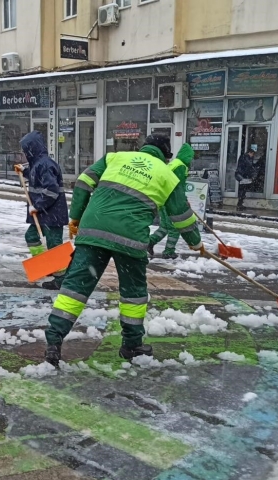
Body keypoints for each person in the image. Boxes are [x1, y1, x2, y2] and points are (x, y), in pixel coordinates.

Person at [43, 134, 204, 366]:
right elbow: (181, 215)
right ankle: (131, 345)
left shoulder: (115, 157)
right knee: (133, 295)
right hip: (130, 239)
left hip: (93, 230)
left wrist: (76, 216)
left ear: (143, 148)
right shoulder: (167, 174)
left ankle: (53, 341)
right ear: (166, 156)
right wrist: (195, 242)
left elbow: (82, 182)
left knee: (74, 289)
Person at [14, 131, 69, 290]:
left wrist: (37, 206)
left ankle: (61, 279)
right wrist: (23, 171)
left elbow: (51, 190)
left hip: (53, 214)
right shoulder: (37, 164)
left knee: (54, 245)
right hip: (43, 214)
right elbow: (33, 175)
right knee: (31, 236)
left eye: (26, 150)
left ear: (33, 148)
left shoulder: (45, 164)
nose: (24, 153)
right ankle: (45, 266)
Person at [148, 142, 195, 259]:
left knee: (164, 227)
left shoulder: (174, 163)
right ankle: (169, 251)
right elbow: (178, 187)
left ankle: (149, 242)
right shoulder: (181, 166)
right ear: (188, 156)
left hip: (163, 199)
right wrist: (182, 201)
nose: (191, 160)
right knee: (175, 227)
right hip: (170, 201)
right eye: (191, 157)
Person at [235, 146, 257, 211]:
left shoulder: (246, 157)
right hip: (242, 176)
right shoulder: (245, 157)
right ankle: (239, 204)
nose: (253, 155)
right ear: (249, 153)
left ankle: (240, 203)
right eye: (252, 154)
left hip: (243, 175)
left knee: (243, 189)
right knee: (242, 189)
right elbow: (249, 166)